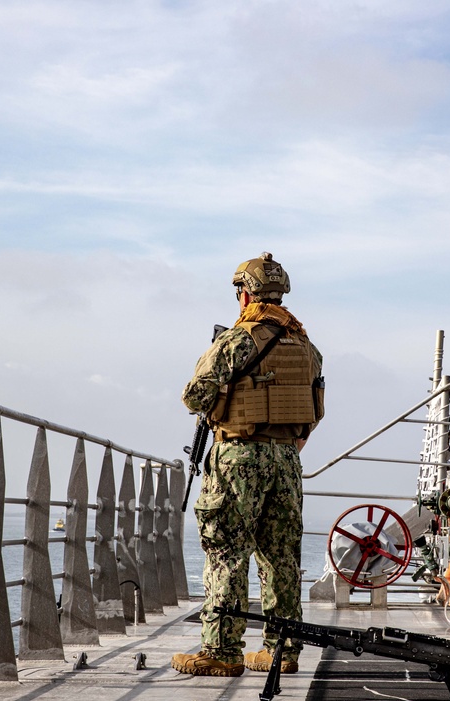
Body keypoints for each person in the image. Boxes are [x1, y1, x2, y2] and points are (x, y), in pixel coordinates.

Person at [172, 252, 324, 678]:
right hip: (286, 460)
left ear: (244, 294)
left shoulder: (237, 340)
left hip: (239, 456)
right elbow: (313, 412)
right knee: (281, 556)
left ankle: (222, 650)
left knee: (226, 551)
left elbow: (194, 396)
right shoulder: (307, 346)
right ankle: (282, 650)